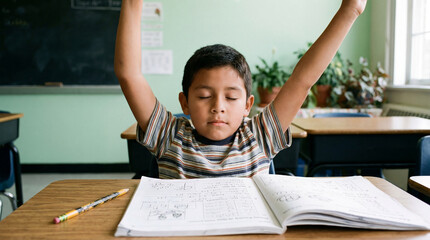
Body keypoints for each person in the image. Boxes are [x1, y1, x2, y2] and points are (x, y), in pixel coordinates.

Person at [114, 0, 367, 179]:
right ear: (185, 102)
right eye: (204, 96)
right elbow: (129, 75)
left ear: (248, 105)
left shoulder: (259, 136)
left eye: (232, 96)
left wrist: (350, 10)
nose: (218, 106)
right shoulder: (169, 136)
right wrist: (133, 3)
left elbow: (302, 80)